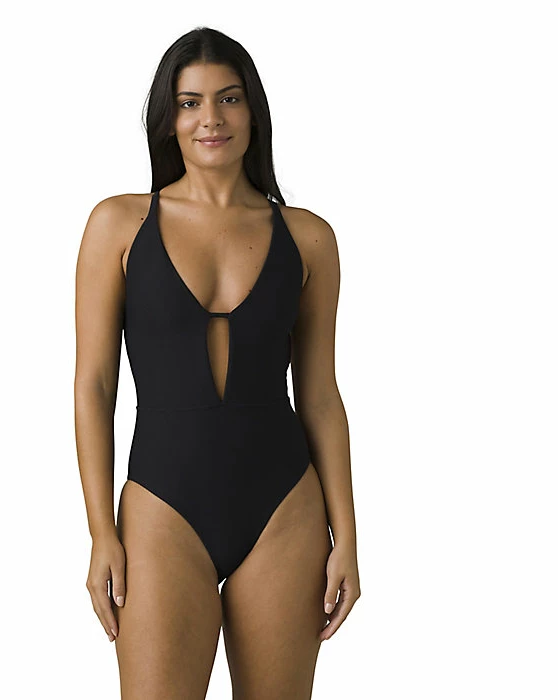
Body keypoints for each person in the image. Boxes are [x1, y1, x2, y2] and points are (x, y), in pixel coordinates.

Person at [74, 26, 360, 699]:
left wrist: (347, 535)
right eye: (191, 102)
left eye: (229, 99)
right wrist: (100, 533)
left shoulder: (309, 238)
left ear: (253, 111)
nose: (212, 118)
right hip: (161, 508)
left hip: (284, 508)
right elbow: (93, 385)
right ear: (168, 119)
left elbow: (320, 395)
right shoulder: (118, 225)